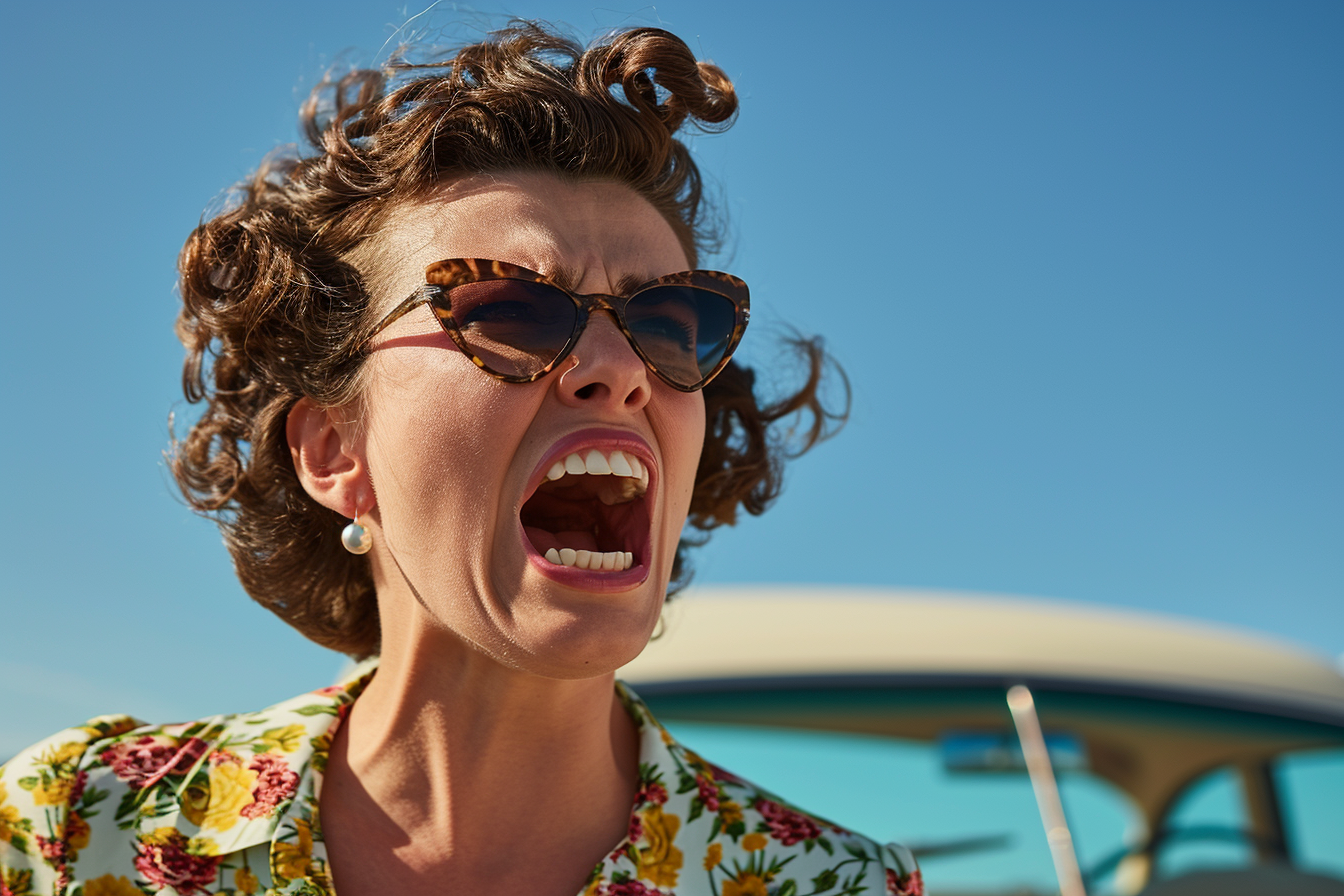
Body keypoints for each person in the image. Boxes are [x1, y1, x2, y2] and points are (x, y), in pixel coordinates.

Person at [0, 21, 922, 896]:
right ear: (333, 450)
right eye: (510, 312)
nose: (617, 371)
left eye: (671, 324)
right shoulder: (78, 831)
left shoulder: (843, 885)